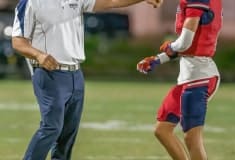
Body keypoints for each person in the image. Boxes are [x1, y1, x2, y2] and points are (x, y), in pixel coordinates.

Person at [11, 0, 162, 159]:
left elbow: (111, 2)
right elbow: (18, 41)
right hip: (49, 73)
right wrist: (38, 55)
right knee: (52, 127)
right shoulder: (30, 3)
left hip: (75, 74)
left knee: (68, 134)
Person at [137, 0, 222, 159]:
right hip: (188, 76)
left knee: (192, 138)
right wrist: (158, 59)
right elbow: (185, 47)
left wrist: (171, 46)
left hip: (200, 76)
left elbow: (184, 43)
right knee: (162, 129)